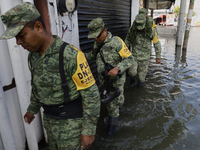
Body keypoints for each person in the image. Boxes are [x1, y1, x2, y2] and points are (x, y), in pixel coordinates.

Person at [0, 2, 100, 150]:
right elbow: (37, 86)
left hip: (71, 126)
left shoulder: (70, 55)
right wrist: (32, 109)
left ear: (39, 27)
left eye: (21, 35)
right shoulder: (33, 57)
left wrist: (89, 130)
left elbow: (91, 94)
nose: (18, 42)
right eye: (16, 38)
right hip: (50, 122)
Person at [85, 18, 134, 135]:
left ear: (105, 31)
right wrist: (80, 56)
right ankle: (118, 107)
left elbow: (130, 59)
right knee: (115, 102)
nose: (95, 39)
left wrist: (117, 68)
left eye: (97, 36)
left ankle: (111, 133)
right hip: (104, 82)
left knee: (112, 107)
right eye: (94, 37)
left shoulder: (117, 42)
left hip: (116, 82)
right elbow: (92, 56)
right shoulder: (97, 44)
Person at [125, 8, 162, 87]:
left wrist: (158, 56)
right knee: (131, 72)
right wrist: (124, 54)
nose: (140, 28)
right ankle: (132, 82)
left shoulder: (151, 31)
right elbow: (127, 41)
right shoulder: (133, 30)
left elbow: (156, 42)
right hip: (134, 55)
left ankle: (139, 91)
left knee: (141, 78)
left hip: (145, 58)